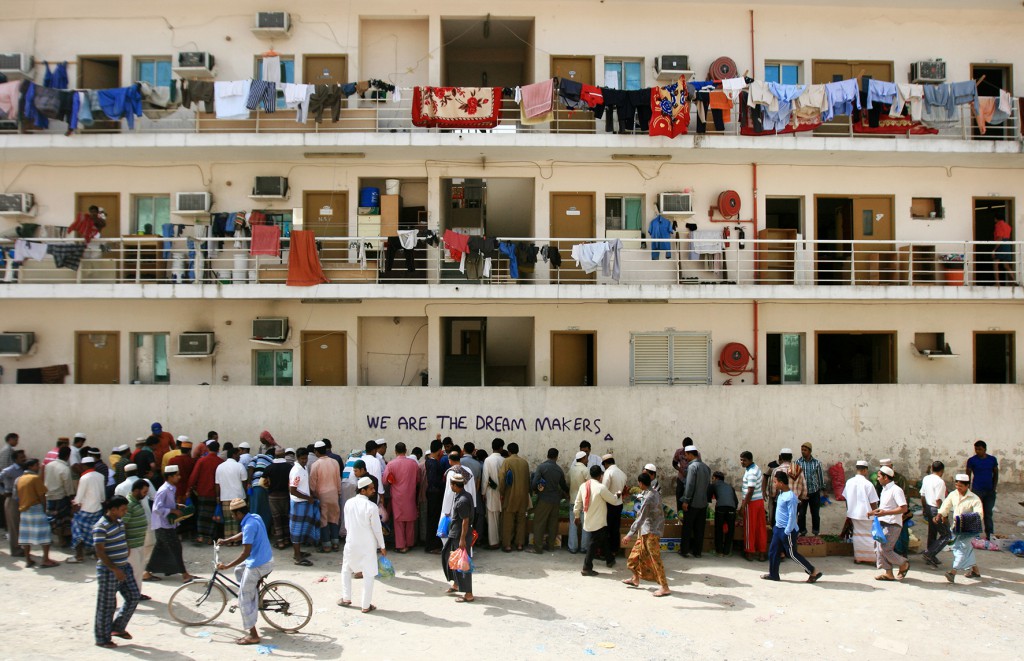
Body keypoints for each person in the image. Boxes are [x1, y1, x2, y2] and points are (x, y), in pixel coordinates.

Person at [217, 498, 275, 644]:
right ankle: (251, 592)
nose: (232, 517)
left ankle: (253, 635)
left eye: (233, 514)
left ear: (238, 513)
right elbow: (244, 534)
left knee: (243, 599)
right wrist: (227, 540)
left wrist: (226, 566)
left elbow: (245, 553)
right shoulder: (255, 517)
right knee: (239, 570)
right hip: (266, 559)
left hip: (258, 564)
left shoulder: (249, 525)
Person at [92, 496, 141, 648]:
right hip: (109, 571)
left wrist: (125, 549)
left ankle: (118, 627)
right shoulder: (101, 526)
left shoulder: (119, 522)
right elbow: (99, 551)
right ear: (113, 510)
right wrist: (114, 569)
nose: (125, 512)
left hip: (124, 566)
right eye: (123, 509)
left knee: (134, 596)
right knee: (107, 605)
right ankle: (102, 639)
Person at [761, 472, 822, 583]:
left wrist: (787, 532)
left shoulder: (790, 497)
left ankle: (813, 571)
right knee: (773, 552)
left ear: (781, 483)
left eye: (775, 482)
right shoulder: (781, 494)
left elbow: (792, 516)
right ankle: (773, 575)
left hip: (787, 530)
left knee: (791, 554)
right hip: (778, 529)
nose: (774, 484)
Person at [339, 476, 387, 613]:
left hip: (351, 542)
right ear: (363, 490)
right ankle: (365, 605)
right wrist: (382, 546)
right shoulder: (371, 507)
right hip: (367, 545)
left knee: (346, 569)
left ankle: (346, 598)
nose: (373, 491)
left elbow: (347, 524)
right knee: (369, 574)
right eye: (371, 488)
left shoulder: (349, 503)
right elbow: (377, 529)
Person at [622, 472, 670, 597]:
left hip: (651, 532)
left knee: (655, 559)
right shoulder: (654, 493)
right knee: (634, 556)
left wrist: (629, 534)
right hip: (647, 531)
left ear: (641, 483)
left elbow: (641, 518)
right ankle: (635, 578)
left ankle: (665, 587)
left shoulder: (649, 497)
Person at [146, 465, 196, 582]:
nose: (179, 477)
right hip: (162, 525)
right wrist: (172, 510)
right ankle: (185, 574)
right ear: (170, 477)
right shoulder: (164, 490)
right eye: (176, 475)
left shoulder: (171, 488)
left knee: (161, 548)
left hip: (166, 524)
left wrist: (176, 506)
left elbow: (165, 504)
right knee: (175, 547)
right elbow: (157, 508)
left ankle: (147, 572)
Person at [936, 474, 985, 583]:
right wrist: (939, 515)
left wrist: (965, 519)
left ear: (967, 486)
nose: (958, 488)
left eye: (961, 486)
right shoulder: (953, 494)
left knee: (961, 550)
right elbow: (945, 506)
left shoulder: (974, 499)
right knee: (966, 548)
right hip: (956, 528)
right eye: (957, 486)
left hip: (968, 530)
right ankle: (975, 571)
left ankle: (953, 572)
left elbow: (979, 515)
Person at [574, 465, 621, 576]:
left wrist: (576, 515)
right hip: (599, 521)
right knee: (594, 543)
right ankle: (586, 567)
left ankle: (610, 559)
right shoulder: (601, 488)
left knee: (603, 538)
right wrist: (618, 495)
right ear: (600, 476)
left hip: (588, 518)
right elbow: (613, 500)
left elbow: (578, 502)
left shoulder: (583, 486)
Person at [869, 466, 910, 581]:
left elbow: (903, 508)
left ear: (886, 477)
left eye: (879, 476)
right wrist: (873, 512)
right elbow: (885, 507)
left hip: (893, 524)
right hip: (882, 523)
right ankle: (888, 573)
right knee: (878, 548)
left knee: (885, 548)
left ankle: (903, 563)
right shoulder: (884, 490)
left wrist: (885, 513)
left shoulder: (896, 490)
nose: (877, 479)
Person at [17, 459, 58, 568]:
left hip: (24, 510)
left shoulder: (19, 479)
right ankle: (45, 559)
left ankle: (28, 560)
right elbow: (42, 495)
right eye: (36, 465)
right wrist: (44, 509)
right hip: (36, 509)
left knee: (25, 536)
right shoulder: (35, 478)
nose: (38, 467)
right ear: (30, 467)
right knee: (45, 534)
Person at [441, 472, 475, 603]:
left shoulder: (462, 501)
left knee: (463, 564)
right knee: (450, 558)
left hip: (460, 535)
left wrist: (462, 539)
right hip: (455, 533)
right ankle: (456, 583)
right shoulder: (463, 496)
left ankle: (468, 594)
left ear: (456, 485)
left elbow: (465, 520)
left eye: (451, 484)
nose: (450, 486)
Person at [529, 448, 568, 554]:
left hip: (544, 499)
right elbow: (563, 485)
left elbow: (534, 483)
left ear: (547, 455)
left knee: (539, 523)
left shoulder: (541, 467)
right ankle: (551, 546)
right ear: (557, 457)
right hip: (556, 500)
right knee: (553, 523)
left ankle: (538, 548)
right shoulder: (559, 470)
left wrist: (535, 490)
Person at [383, 442, 419, 553]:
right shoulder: (413, 464)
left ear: (395, 451)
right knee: (410, 520)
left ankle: (401, 545)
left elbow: (385, 481)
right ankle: (410, 543)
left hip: (397, 496)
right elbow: (418, 480)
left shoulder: (391, 464)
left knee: (398, 521)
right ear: (406, 450)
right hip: (410, 495)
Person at [842, 460, 880, 564]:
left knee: (857, 536)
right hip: (867, 514)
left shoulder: (849, 482)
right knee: (869, 537)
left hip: (853, 514)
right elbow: (873, 502)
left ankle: (858, 558)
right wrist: (875, 514)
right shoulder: (868, 484)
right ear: (865, 470)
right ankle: (871, 558)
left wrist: (849, 510)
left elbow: (846, 498)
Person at [70, 456, 106, 563]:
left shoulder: (84, 478)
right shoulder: (100, 476)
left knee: (77, 530)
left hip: (85, 510)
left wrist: (74, 504)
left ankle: (79, 556)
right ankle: (96, 554)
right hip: (98, 509)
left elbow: (79, 497)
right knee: (96, 532)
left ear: (84, 466)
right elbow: (102, 497)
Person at [188, 440, 224, 545]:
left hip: (202, 492)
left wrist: (189, 489)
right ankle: (209, 538)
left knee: (202, 514)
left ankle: (201, 536)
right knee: (212, 515)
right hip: (215, 493)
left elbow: (194, 476)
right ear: (218, 449)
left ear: (208, 449)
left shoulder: (201, 461)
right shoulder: (220, 462)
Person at [309, 441, 342, 553]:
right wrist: (338, 493)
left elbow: (312, 484)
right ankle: (335, 543)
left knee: (324, 519)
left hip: (322, 495)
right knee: (334, 518)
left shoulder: (316, 465)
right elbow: (338, 479)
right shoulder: (334, 462)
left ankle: (326, 545)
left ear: (316, 451)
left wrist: (313, 494)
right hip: (334, 494)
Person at [122, 480, 152, 600]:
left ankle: (136, 593)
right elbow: (123, 525)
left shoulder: (136, 502)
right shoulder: (129, 505)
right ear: (136, 491)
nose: (145, 494)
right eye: (144, 492)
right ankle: (132, 595)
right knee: (135, 571)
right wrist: (126, 544)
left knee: (139, 571)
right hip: (132, 545)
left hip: (139, 543)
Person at [679, 445, 711, 558]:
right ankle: (697, 552)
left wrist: (686, 500)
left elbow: (690, 485)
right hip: (703, 503)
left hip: (692, 503)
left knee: (687, 527)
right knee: (699, 528)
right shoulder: (706, 467)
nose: (685, 457)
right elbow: (708, 486)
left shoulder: (692, 467)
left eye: (686, 455)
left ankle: (684, 550)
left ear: (690, 454)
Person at [288, 447, 317, 566]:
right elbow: (293, 490)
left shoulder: (303, 468)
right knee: (297, 529)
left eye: (306, 458)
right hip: (298, 503)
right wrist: (307, 498)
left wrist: (311, 494)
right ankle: (297, 556)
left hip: (303, 501)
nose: (304, 461)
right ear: (297, 458)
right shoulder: (297, 471)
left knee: (302, 528)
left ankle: (298, 551)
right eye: (302, 459)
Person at [499, 443, 530, 552]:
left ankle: (507, 545)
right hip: (523, 496)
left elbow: (502, 478)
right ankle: (520, 544)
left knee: (508, 521)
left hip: (510, 495)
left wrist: (501, 492)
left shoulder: (507, 461)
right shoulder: (525, 463)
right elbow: (528, 479)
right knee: (521, 520)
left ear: (508, 451)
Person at [737, 451, 767, 562]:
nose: (742, 462)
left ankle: (749, 552)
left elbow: (750, 491)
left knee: (750, 528)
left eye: (744, 460)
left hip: (751, 502)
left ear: (750, 460)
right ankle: (762, 552)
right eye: (741, 460)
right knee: (760, 528)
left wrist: (743, 506)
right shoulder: (756, 468)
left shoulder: (751, 472)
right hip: (759, 501)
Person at [215, 446, 249, 545]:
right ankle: (236, 540)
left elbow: (217, 484)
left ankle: (228, 540)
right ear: (234, 455)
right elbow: (244, 482)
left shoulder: (220, 467)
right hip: (238, 497)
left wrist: (218, 497)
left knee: (227, 520)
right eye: (238, 455)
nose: (240, 457)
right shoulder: (240, 466)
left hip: (225, 497)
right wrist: (245, 495)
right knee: (238, 520)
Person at [965, 440, 998, 540]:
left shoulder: (992, 460)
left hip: (989, 491)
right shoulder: (972, 460)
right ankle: (975, 534)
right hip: (977, 490)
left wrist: (994, 488)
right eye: (976, 449)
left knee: (988, 513)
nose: (977, 451)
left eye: (980, 449)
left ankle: (990, 534)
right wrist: (967, 489)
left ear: (985, 449)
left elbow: (996, 474)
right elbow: (968, 475)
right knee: (977, 513)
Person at [920, 461, 950, 567]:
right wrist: (943, 514)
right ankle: (930, 553)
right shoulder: (940, 482)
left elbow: (922, 495)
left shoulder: (926, 478)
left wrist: (924, 508)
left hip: (928, 507)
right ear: (942, 470)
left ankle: (930, 555)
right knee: (946, 535)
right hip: (936, 509)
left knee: (932, 532)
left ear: (932, 468)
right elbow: (938, 500)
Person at [43, 445, 74, 547]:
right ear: (68, 456)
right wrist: (71, 497)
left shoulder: (49, 465)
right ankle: (62, 540)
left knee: (52, 519)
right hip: (60, 497)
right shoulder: (65, 469)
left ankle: (53, 539)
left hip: (49, 496)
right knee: (62, 520)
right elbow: (68, 486)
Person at [795, 442, 826, 536]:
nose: (803, 452)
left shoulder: (817, 463)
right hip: (802, 493)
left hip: (814, 492)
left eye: (805, 450)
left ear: (810, 451)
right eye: (802, 450)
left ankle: (816, 531)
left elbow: (820, 477)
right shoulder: (797, 462)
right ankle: (802, 531)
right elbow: (795, 478)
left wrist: (823, 489)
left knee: (815, 513)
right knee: (801, 514)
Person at [601, 454, 627, 565]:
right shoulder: (622, 473)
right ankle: (614, 550)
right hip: (619, 503)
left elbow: (604, 489)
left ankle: (606, 552)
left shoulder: (608, 472)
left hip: (609, 504)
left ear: (605, 464)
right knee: (615, 528)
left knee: (607, 529)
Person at [0, 450, 27, 556]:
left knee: (21, 525)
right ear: (15, 459)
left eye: (24, 457)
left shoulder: (24, 469)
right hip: (12, 499)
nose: (24, 459)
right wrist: (3, 492)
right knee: (13, 526)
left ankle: (21, 547)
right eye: (21, 457)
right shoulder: (9, 470)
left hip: (22, 499)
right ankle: (15, 550)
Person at [266, 448, 292, 548]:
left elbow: (262, 482)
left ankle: (280, 542)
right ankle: (287, 539)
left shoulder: (269, 467)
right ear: (284, 455)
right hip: (285, 496)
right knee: (285, 517)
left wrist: (269, 487)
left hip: (273, 496)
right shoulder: (289, 467)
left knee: (276, 519)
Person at [566, 450, 591, 555]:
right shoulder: (585, 470)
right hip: (584, 501)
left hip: (573, 500)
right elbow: (590, 485)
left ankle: (573, 547)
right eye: (586, 458)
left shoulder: (571, 470)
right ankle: (584, 547)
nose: (587, 460)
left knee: (573, 524)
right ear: (583, 458)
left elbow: (567, 483)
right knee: (585, 525)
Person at [482, 438, 505, 550]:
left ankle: (493, 542)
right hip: (503, 492)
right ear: (501, 448)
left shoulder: (488, 460)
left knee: (492, 518)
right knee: (501, 518)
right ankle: (500, 539)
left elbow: (485, 478)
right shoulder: (504, 460)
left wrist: (483, 492)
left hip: (491, 492)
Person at [708, 471, 739, 556]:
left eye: (713, 478)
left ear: (717, 478)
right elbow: (736, 502)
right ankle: (727, 551)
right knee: (730, 530)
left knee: (719, 529)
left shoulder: (713, 485)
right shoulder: (730, 487)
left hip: (720, 508)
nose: (712, 480)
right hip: (732, 508)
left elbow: (708, 497)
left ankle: (719, 552)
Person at [423, 440, 445, 554]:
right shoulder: (433, 463)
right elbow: (433, 481)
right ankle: (432, 546)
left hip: (433, 493)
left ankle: (432, 545)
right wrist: (444, 484)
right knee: (434, 520)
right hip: (435, 494)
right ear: (439, 450)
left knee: (434, 519)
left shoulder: (430, 461)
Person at [0, 432, 19, 529]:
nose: (17, 442)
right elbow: (5, 466)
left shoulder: (7, 449)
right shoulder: (8, 450)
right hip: (7, 482)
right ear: (10, 439)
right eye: (15, 440)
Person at [671, 437, 694, 509]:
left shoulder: (696, 454)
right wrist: (681, 470)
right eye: (685, 448)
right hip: (681, 478)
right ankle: (680, 513)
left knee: (690, 499)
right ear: (683, 446)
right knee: (679, 497)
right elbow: (674, 464)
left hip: (691, 480)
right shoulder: (679, 452)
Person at [992, 217, 1014, 285]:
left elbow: (1000, 238)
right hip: (1007, 244)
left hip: (1001, 244)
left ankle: (997, 283)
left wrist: (994, 250)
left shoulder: (998, 225)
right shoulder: (1007, 226)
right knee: (1006, 265)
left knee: (995, 263)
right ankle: (1014, 281)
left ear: (996, 219)